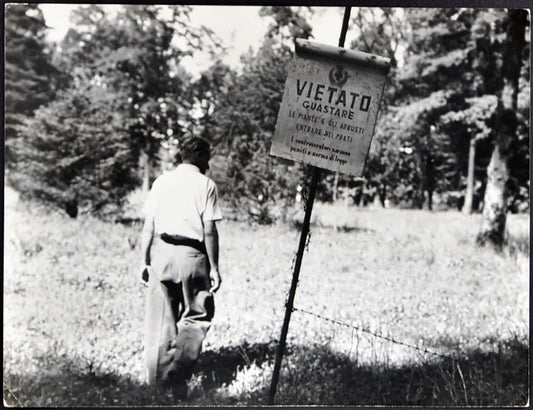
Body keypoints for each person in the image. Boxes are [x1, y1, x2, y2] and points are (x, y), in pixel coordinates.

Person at [139, 135, 222, 400]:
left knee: (160, 319)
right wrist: (215, 267)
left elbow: (149, 225)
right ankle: (179, 369)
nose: (208, 162)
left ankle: (156, 385)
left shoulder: (161, 181)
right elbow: (209, 230)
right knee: (197, 315)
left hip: (162, 252)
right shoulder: (206, 185)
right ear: (200, 156)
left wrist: (144, 260)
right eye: (207, 156)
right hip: (192, 255)